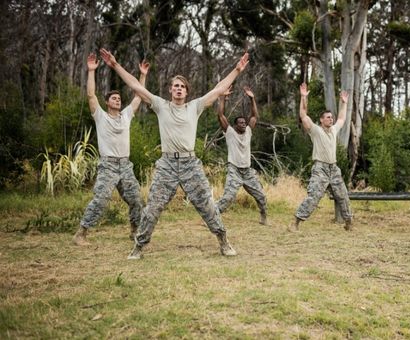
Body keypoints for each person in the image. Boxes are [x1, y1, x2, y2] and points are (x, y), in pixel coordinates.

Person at [99, 48, 249, 259]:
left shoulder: (194, 106)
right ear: (170, 90)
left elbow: (217, 90)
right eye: (175, 86)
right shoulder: (161, 105)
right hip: (167, 165)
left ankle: (223, 241)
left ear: (187, 92)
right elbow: (134, 85)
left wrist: (237, 69)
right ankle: (139, 247)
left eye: (182, 87)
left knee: (207, 205)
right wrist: (115, 65)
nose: (178, 89)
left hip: (190, 164)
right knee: (153, 207)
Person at [73, 53, 149, 246]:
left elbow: (139, 95)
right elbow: (91, 95)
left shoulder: (126, 116)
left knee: (136, 200)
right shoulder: (100, 116)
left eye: (119, 98)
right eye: (114, 98)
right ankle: (81, 234)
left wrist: (142, 76)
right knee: (100, 199)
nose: (117, 100)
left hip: (125, 165)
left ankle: (134, 231)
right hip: (108, 165)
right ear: (107, 102)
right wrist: (91, 71)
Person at [289, 82, 352, 232]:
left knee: (343, 196)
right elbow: (303, 115)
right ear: (322, 120)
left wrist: (344, 103)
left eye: (331, 117)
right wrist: (303, 98)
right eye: (328, 117)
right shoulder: (316, 131)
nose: (331, 119)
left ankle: (348, 222)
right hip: (320, 169)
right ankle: (295, 222)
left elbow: (342, 119)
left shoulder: (334, 130)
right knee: (313, 197)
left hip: (333, 168)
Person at [216, 85, 268, 225]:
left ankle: (263, 218)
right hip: (234, 170)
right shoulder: (230, 133)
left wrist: (252, 99)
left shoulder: (249, 132)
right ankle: (212, 217)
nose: (244, 124)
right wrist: (222, 99)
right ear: (235, 125)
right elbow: (220, 115)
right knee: (228, 197)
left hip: (248, 171)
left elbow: (255, 116)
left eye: (244, 122)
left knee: (261, 196)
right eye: (240, 123)